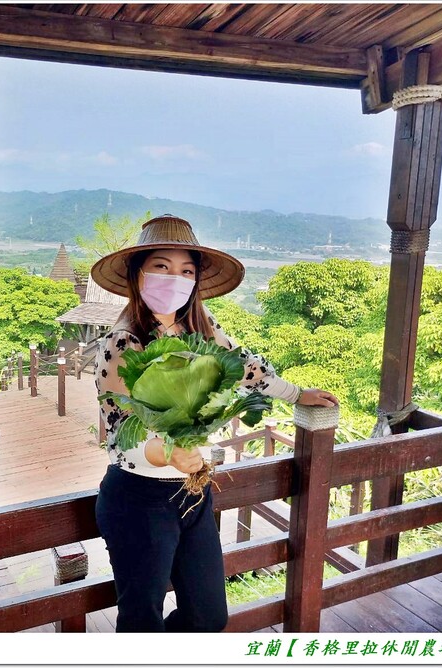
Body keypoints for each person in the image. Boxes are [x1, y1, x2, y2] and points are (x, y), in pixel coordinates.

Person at [91, 213, 338, 633]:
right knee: (140, 621)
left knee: (208, 616)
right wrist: (165, 452)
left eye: (186, 270)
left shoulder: (201, 330)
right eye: (162, 267)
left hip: (193, 493)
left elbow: (245, 366)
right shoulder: (123, 341)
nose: (175, 278)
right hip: (138, 499)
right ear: (138, 274)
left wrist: (298, 394)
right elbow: (119, 430)